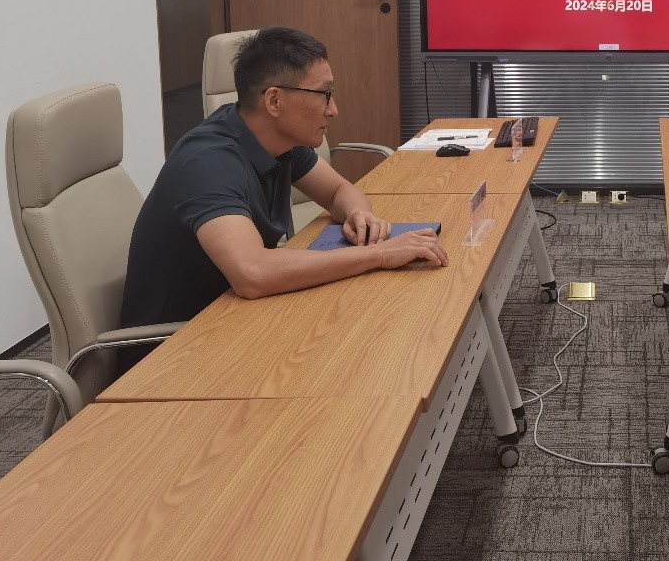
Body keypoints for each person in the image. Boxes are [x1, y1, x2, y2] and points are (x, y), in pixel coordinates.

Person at [120, 27, 448, 355]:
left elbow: (338, 191)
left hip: (239, 320)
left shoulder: (277, 140)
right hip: (174, 351)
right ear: (275, 100)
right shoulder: (208, 162)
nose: (333, 110)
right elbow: (253, 273)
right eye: (324, 94)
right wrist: (380, 254)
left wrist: (358, 214)